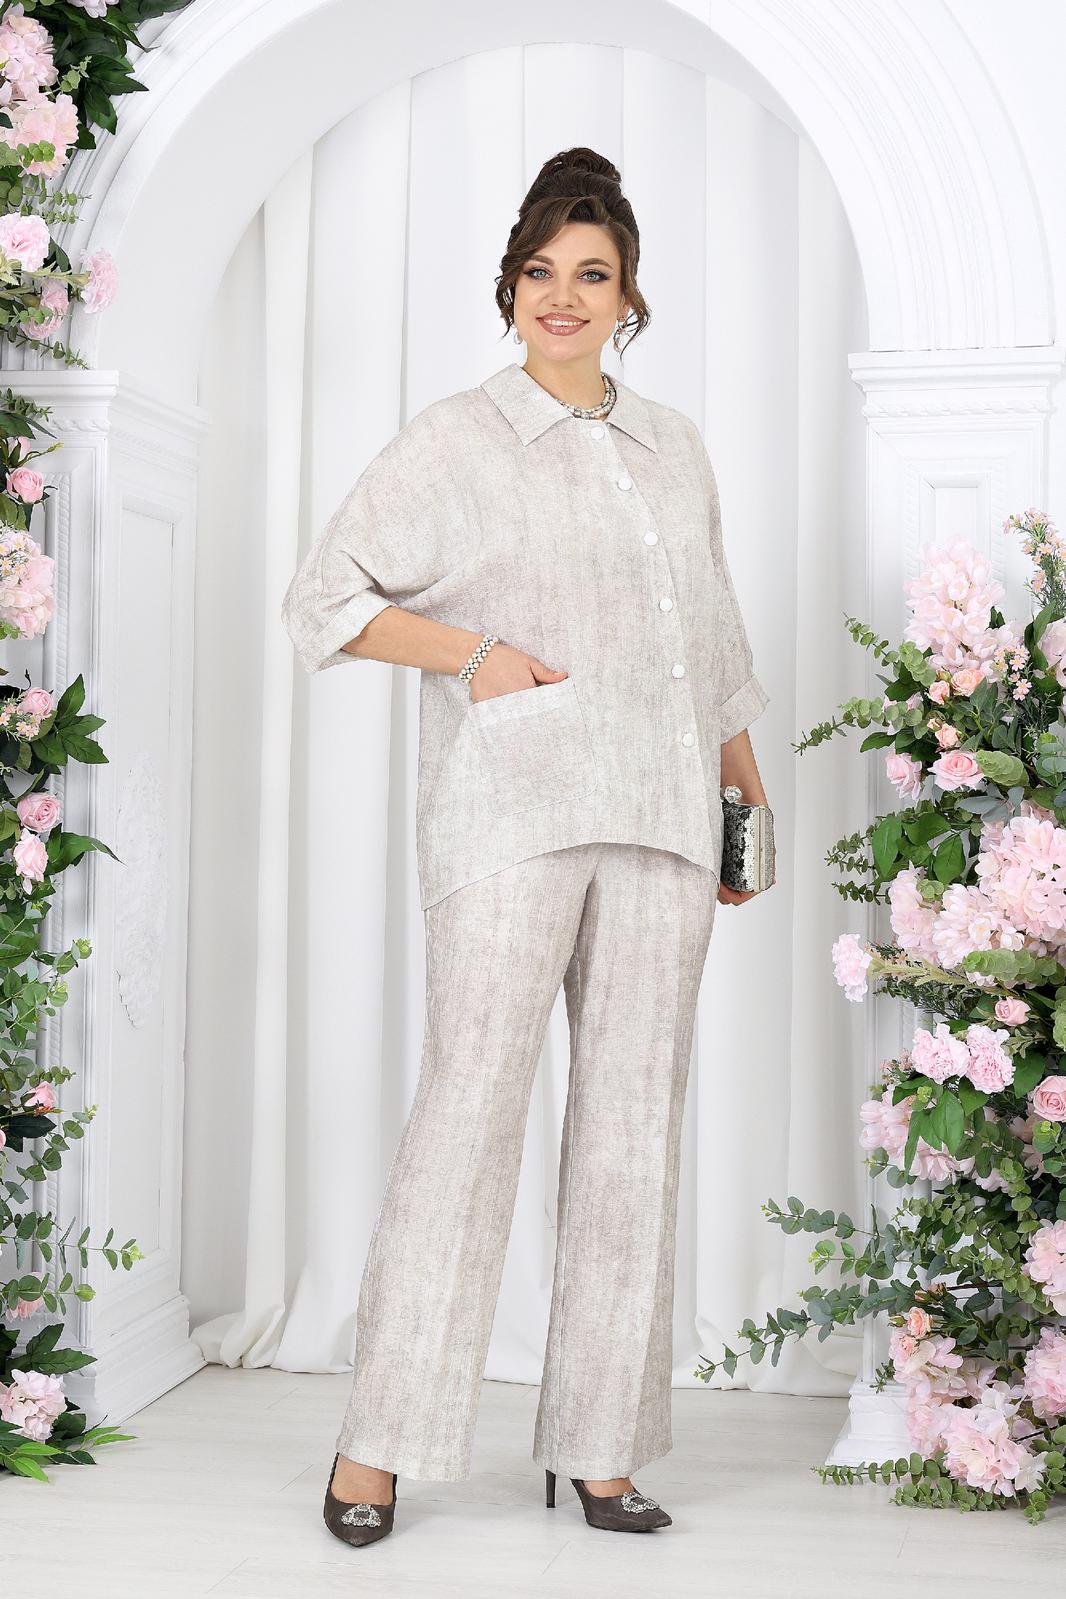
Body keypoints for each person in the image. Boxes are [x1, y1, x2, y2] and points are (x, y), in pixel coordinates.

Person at [282, 146, 774, 1546]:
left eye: (592, 274)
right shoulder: (455, 439)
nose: (565, 296)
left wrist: (741, 794)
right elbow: (324, 599)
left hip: (664, 817)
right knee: (468, 1116)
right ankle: (378, 1445)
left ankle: (601, 1449)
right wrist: (475, 654)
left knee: (632, 1136)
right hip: (511, 814)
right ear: (509, 288)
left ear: (629, 296)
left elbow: (710, 633)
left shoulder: (675, 445)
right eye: (541, 272)